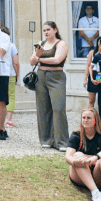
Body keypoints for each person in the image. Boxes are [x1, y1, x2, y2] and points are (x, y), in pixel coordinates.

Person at [66, 107, 101, 201]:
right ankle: (95, 193)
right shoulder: (76, 135)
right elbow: (68, 156)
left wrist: (95, 157)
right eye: (83, 117)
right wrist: (78, 161)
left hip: (97, 175)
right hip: (79, 174)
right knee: (77, 155)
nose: (85, 120)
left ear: (95, 120)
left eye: (89, 118)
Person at [32, 20, 69, 149]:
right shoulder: (40, 44)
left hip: (56, 77)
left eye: (48, 29)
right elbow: (32, 61)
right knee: (43, 109)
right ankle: (46, 140)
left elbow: (57, 59)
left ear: (55, 30)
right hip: (41, 77)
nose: (46, 32)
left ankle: (62, 142)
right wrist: (36, 56)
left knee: (58, 109)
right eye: (44, 30)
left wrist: (39, 58)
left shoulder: (61, 43)